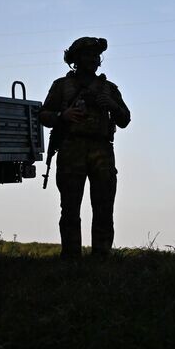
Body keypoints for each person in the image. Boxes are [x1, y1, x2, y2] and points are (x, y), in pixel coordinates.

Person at [40, 37, 131, 258]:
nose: (92, 59)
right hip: (72, 148)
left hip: (102, 150)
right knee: (70, 208)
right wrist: (64, 115)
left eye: (95, 55)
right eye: (87, 55)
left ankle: (101, 257)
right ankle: (71, 258)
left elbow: (125, 119)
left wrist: (112, 106)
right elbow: (43, 115)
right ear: (76, 59)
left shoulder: (108, 88)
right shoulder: (61, 86)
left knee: (103, 207)